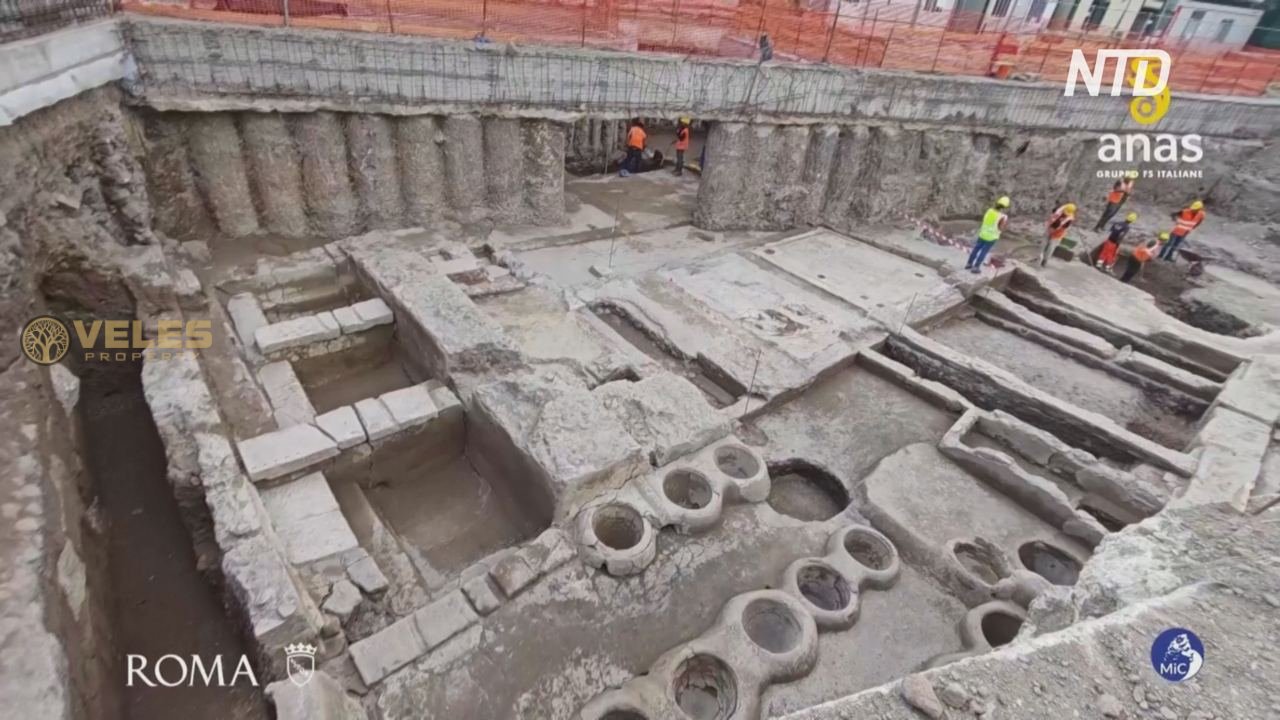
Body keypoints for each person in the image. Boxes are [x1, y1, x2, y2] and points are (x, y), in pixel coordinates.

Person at [965, 196, 1010, 274]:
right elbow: (1000, 228)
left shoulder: (989, 211)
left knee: (976, 249)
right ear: (1005, 207)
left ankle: (969, 264)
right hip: (992, 237)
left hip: (983, 233)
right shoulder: (1003, 216)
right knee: (984, 251)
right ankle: (976, 267)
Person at [1040, 202, 1076, 267]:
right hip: (1049, 227)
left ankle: (1045, 260)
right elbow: (1052, 217)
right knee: (1043, 243)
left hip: (1058, 233)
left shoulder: (1069, 219)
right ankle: (1039, 255)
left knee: (1051, 246)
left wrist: (1054, 230)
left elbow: (1062, 228)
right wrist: (1049, 227)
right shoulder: (1058, 210)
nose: (1065, 213)